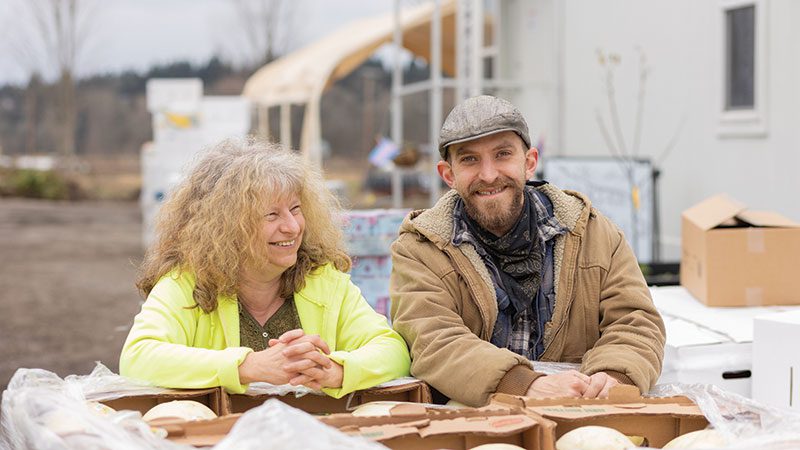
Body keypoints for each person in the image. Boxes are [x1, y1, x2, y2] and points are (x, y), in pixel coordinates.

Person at [389, 95, 665, 407]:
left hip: (582, 415)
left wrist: (613, 376)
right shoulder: (420, 249)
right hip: (473, 426)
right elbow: (433, 340)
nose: (489, 174)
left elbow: (635, 321)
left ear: (529, 162)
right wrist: (525, 385)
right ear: (448, 174)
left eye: (502, 154)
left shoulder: (594, 234)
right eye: (469, 160)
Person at [120, 138, 410, 398]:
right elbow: (138, 358)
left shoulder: (324, 282)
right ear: (226, 228)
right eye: (272, 215)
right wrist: (248, 366)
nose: (292, 226)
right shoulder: (186, 283)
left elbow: (393, 351)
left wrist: (336, 370)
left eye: (296, 210)